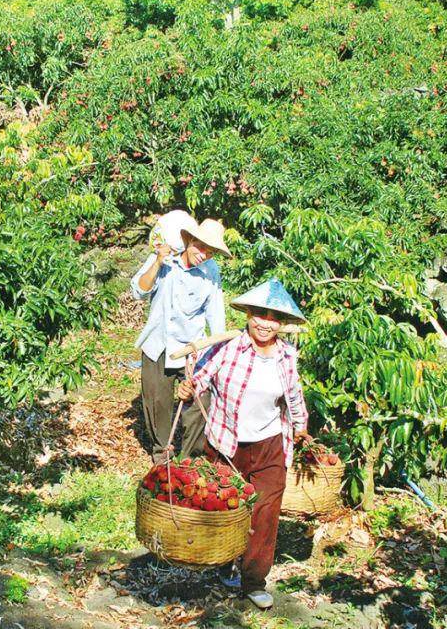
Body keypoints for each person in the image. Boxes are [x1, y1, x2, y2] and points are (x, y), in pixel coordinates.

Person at [175, 278, 311, 610]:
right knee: (227, 509)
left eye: (274, 318)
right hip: (226, 444)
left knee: (265, 515)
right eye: (259, 314)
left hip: (268, 446)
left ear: (282, 324)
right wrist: (188, 389)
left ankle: (253, 581)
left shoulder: (287, 356)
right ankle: (224, 563)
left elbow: (293, 397)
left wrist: (301, 427)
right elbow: (200, 378)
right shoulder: (227, 348)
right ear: (248, 314)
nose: (265, 323)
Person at [131, 214, 231, 462]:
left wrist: (218, 351)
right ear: (189, 241)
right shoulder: (165, 259)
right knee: (157, 403)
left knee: (200, 400)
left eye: (210, 251)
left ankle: (190, 459)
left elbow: (215, 313)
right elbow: (138, 291)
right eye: (200, 246)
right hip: (159, 343)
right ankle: (161, 454)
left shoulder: (211, 271)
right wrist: (157, 262)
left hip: (192, 347)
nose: (203, 253)